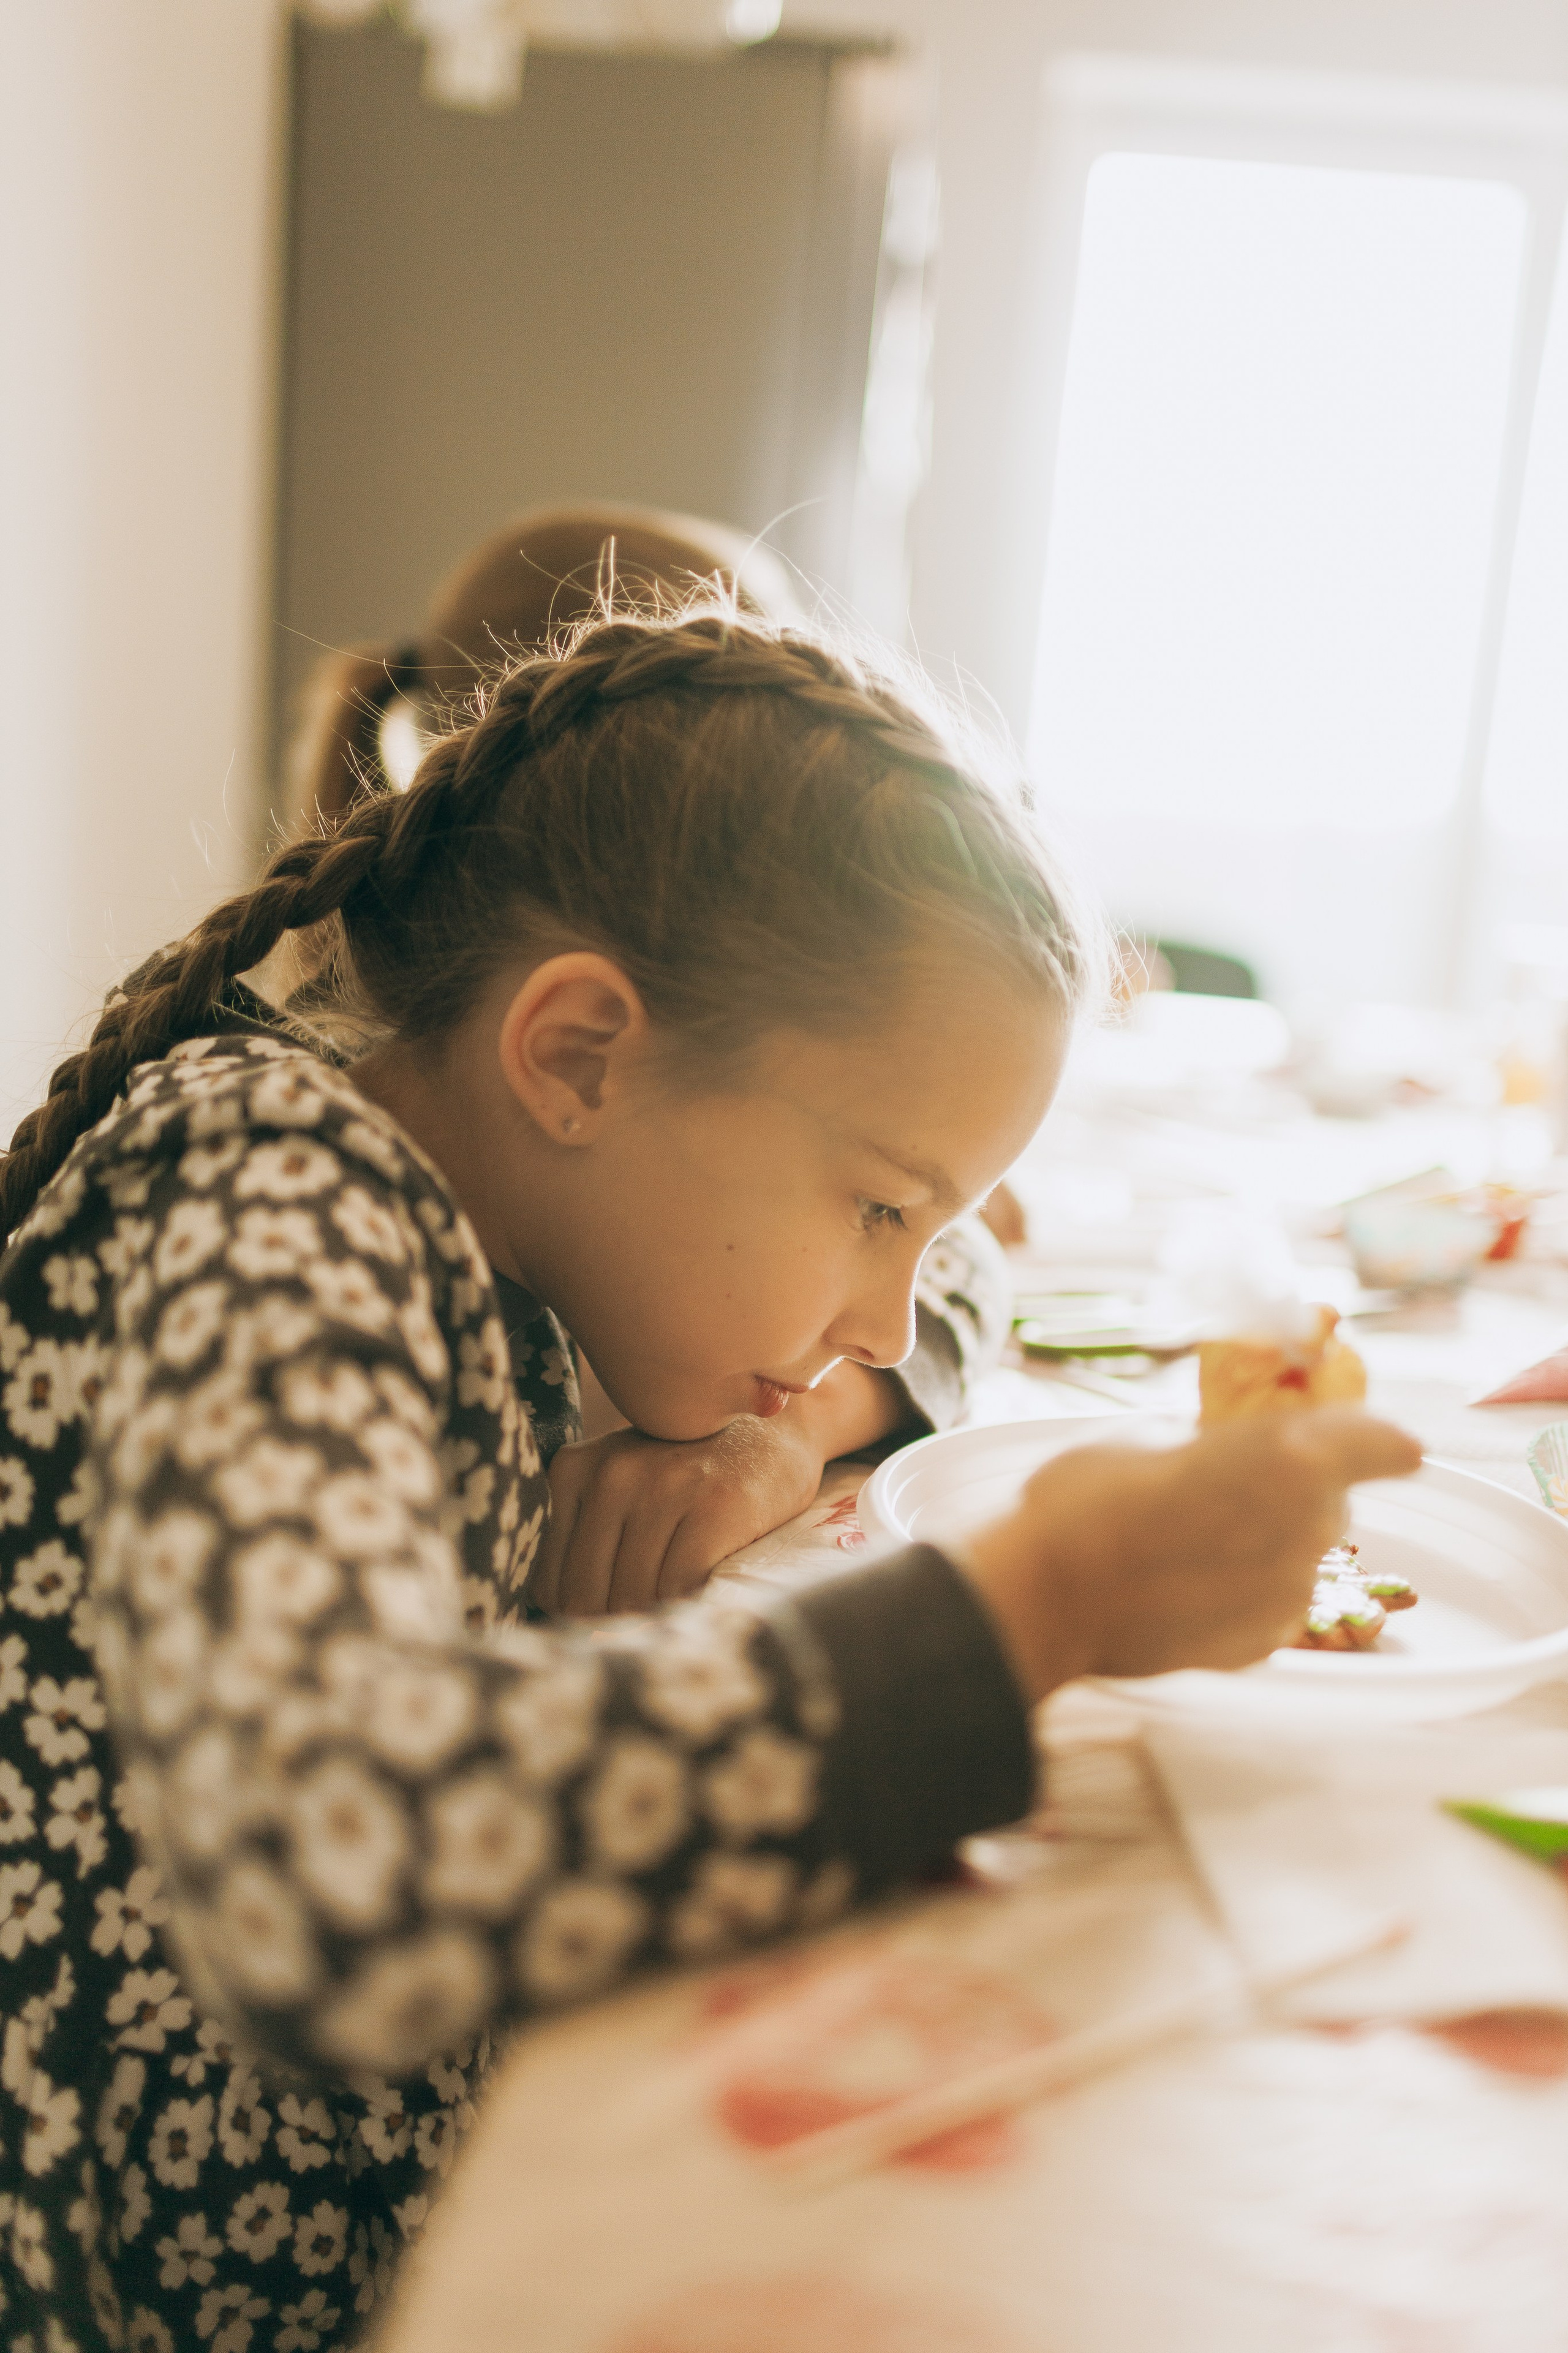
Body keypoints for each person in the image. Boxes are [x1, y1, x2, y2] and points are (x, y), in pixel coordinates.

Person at [0, 604, 1419, 2349]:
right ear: (580, 1053)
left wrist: (788, 1429)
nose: (886, 1302)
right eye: (881, 1205)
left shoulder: (532, 1196)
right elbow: (331, 1863)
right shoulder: (266, 1203)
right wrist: (1036, 1606)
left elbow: (962, 1286)